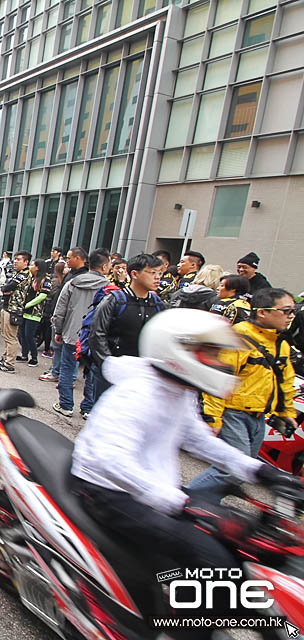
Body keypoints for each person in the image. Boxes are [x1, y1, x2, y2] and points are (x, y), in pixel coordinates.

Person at [70, 309, 300, 632]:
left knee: (246, 545)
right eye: (210, 353)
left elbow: (198, 440)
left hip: (157, 489)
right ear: (177, 350)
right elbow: (110, 460)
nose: (219, 362)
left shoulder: (178, 390)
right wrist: (182, 504)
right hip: (109, 491)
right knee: (215, 563)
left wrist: (261, 473)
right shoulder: (135, 394)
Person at [187, 288, 299, 502]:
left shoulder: (280, 344)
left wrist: (286, 412)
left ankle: (205, 508)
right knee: (233, 469)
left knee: (243, 468)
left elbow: (285, 381)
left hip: (257, 417)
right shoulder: (238, 338)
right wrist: (213, 418)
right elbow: (217, 379)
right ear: (263, 312)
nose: (291, 316)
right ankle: (186, 501)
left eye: (292, 311)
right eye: (286, 311)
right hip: (232, 413)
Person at [88, 253, 165, 397]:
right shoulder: (115, 300)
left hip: (143, 375)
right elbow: (97, 334)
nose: (158, 277)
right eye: (152, 272)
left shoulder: (158, 305)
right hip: (112, 372)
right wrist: (109, 365)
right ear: (135, 274)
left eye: (160, 273)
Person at [51, 248, 109, 417]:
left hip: (72, 332)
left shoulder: (73, 283)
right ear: (104, 266)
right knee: (92, 372)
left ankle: (66, 405)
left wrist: (59, 330)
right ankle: (88, 408)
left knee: (67, 368)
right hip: (96, 337)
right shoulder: (109, 287)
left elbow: (60, 309)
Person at [0, 251, 31, 370]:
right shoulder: (17, 273)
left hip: (14, 309)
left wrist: (6, 289)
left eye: (19, 259)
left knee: (11, 337)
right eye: (15, 259)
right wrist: (6, 289)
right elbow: (6, 287)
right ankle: (5, 358)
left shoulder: (24, 275)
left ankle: (9, 363)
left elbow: (8, 287)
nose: (15, 262)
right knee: (5, 335)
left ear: (26, 262)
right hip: (7, 306)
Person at [18, 260, 51, 366]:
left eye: (32, 265)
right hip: (25, 311)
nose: (30, 267)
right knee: (22, 334)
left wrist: (28, 304)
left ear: (38, 267)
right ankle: (24, 354)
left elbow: (43, 295)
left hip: (34, 312)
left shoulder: (46, 279)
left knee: (29, 335)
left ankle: (34, 357)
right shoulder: (31, 277)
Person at [39, 262, 67, 382]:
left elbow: (51, 294)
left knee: (60, 346)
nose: (67, 268)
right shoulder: (62, 281)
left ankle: (59, 372)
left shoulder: (62, 282)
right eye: (65, 267)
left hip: (57, 314)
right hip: (55, 312)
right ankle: (56, 369)